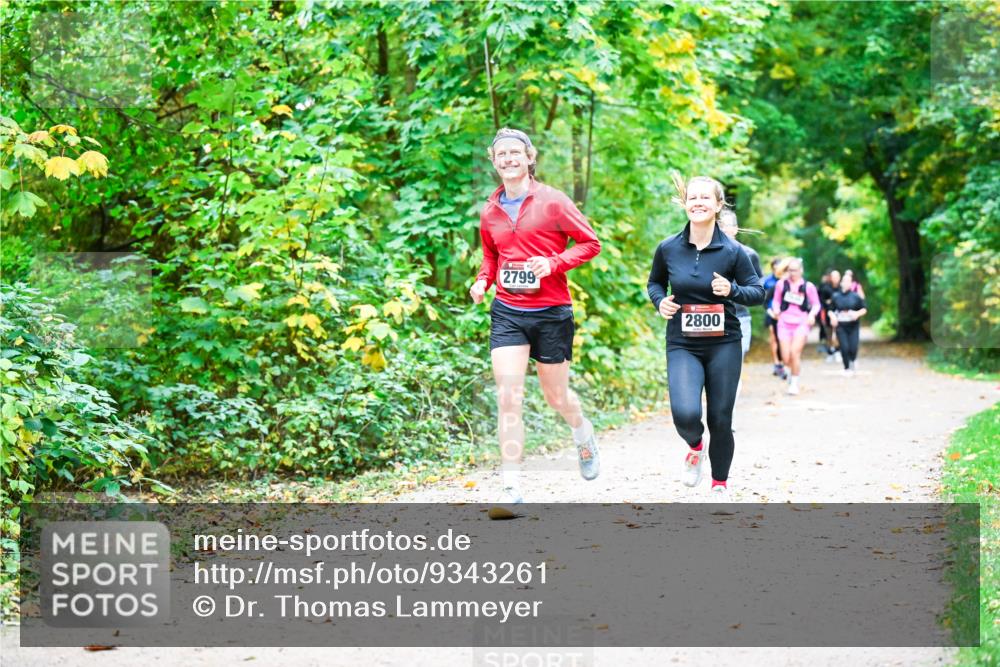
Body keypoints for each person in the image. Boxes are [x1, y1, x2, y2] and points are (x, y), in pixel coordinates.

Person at [470, 128, 602, 510]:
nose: (508, 159)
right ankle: (511, 488)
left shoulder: (553, 202)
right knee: (508, 397)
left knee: (555, 396)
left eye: (515, 152)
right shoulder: (490, 210)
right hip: (509, 311)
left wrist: (553, 263)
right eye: (501, 154)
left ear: (529, 157)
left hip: (551, 312)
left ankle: (582, 432)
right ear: (493, 161)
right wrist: (482, 282)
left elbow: (591, 243)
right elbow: (492, 258)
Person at [647, 175, 765, 501]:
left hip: (724, 342)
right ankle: (695, 447)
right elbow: (655, 283)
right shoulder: (668, 248)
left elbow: (758, 292)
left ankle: (719, 485)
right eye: (692, 198)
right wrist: (661, 302)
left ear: (717, 205)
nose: (698, 203)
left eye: (705, 198)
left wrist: (733, 290)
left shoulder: (734, 251)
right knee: (685, 414)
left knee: (720, 418)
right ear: (685, 203)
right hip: (683, 342)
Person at [717, 210, 763, 417]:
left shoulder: (749, 254)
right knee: (715, 370)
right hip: (713, 318)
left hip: (740, 317)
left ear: (735, 229)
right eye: (721, 225)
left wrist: (735, 291)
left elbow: (757, 289)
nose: (724, 229)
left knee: (732, 368)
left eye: (728, 225)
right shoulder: (703, 250)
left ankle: (728, 415)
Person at [768, 257, 820, 395]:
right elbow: (776, 301)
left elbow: (816, 304)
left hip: (801, 323)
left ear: (801, 270)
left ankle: (794, 383)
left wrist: (812, 315)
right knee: (785, 357)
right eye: (790, 270)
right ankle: (791, 372)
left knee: (794, 352)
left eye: (795, 270)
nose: (792, 273)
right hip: (784, 323)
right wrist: (776, 309)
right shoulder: (781, 284)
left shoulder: (808, 286)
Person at [830, 271, 868, 375]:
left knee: (853, 347)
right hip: (841, 326)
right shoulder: (836, 296)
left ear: (851, 283)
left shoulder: (856, 297)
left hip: (853, 326)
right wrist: (833, 317)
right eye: (844, 281)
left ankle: (853, 360)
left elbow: (864, 309)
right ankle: (846, 367)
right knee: (844, 347)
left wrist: (857, 314)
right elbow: (831, 310)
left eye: (848, 281)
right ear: (841, 283)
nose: (846, 283)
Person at [763, 258, 787, 379]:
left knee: (782, 338)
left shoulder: (787, 281)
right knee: (774, 337)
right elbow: (763, 296)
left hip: (785, 315)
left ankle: (783, 362)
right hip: (771, 312)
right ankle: (776, 362)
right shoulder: (767, 281)